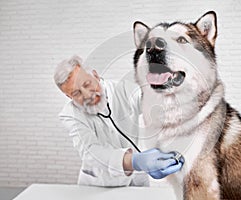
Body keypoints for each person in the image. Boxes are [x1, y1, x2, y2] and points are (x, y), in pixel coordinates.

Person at [53, 55, 184, 187]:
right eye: (76, 93)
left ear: (95, 75)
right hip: (100, 184)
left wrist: (161, 88)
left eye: (87, 84)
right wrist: (134, 161)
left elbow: (148, 101)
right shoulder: (70, 115)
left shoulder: (121, 89)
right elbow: (91, 152)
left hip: (137, 180)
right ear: (68, 96)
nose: (87, 95)